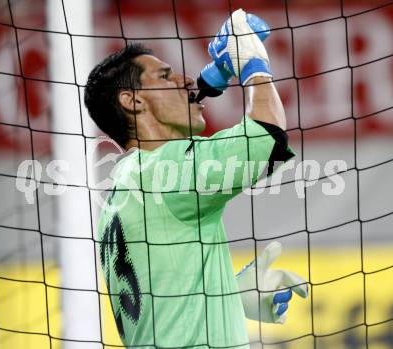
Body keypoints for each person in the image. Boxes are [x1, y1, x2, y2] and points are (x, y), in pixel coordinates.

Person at [84, 9, 308, 349]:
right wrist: (252, 62)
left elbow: (164, 290)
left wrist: (231, 294)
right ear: (133, 101)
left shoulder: (123, 191)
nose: (187, 80)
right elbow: (268, 131)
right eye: (165, 76)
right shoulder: (161, 171)